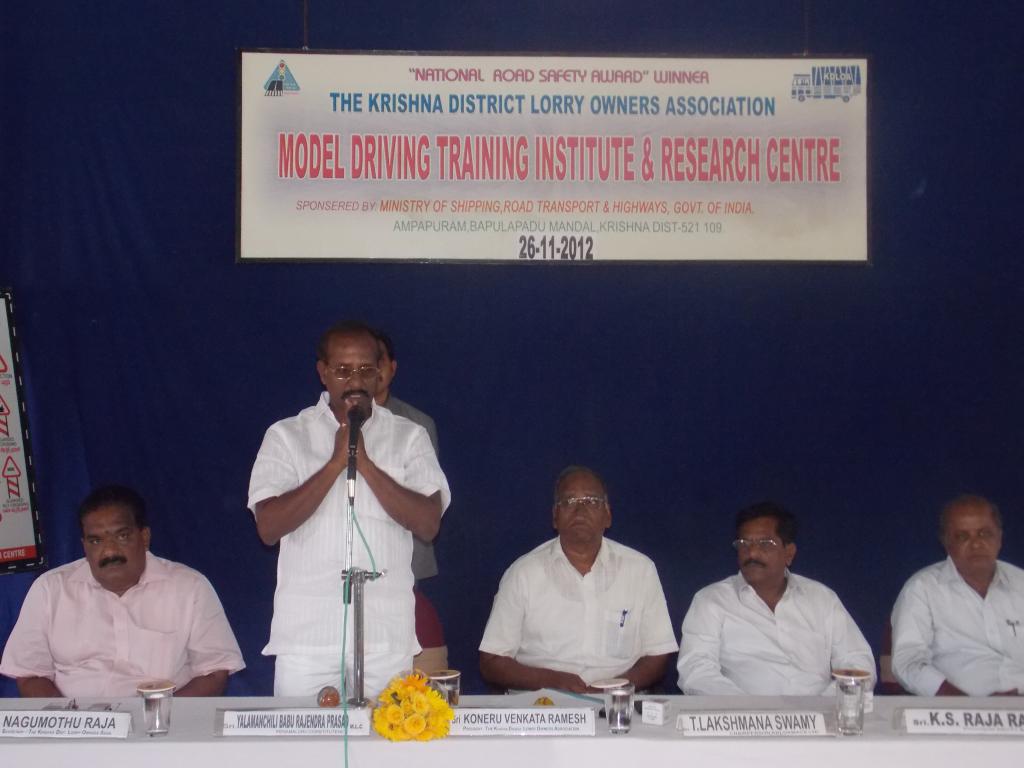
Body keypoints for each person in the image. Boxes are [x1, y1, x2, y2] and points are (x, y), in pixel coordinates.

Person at [248, 320, 450, 697]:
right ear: (323, 372)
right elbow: (268, 527)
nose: (355, 381)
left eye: (365, 370)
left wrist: (365, 463)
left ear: (380, 373)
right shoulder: (286, 435)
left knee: (385, 735)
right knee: (301, 737)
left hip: (385, 636)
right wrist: (334, 464)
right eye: (342, 370)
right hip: (307, 638)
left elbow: (428, 523)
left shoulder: (409, 436)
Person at [0, 485, 244, 698]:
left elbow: (214, 672)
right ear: (84, 545)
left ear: (144, 537)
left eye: (122, 536)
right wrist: (70, 721)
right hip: (77, 726)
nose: (109, 551)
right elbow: (30, 674)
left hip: (164, 726)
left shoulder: (190, 588)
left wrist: (159, 718)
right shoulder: (50, 589)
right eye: (96, 541)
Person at [479, 466, 678, 692]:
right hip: (542, 704)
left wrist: (612, 689)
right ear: (555, 517)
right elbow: (491, 662)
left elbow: (658, 654)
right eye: (569, 501)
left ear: (608, 515)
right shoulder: (523, 573)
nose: (580, 510)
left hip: (618, 703)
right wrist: (552, 681)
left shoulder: (640, 570)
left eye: (591, 501)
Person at [677, 501, 874, 695]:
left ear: (789, 553)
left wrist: (825, 706)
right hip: (742, 713)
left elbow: (858, 663)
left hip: (820, 711)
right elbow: (696, 671)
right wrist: (747, 709)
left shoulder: (822, 599)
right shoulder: (711, 601)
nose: (752, 553)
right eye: (744, 544)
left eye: (765, 544)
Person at [891, 494, 1024, 696]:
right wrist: (964, 704)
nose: (976, 544)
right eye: (962, 536)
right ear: (946, 542)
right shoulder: (922, 589)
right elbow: (908, 662)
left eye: (984, 533)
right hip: (956, 709)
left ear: (999, 538)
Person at [372, 328, 440, 582]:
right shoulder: (333, 421)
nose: (372, 371)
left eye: (379, 362)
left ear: (393, 367)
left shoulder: (417, 424)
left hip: (402, 557)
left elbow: (425, 497)